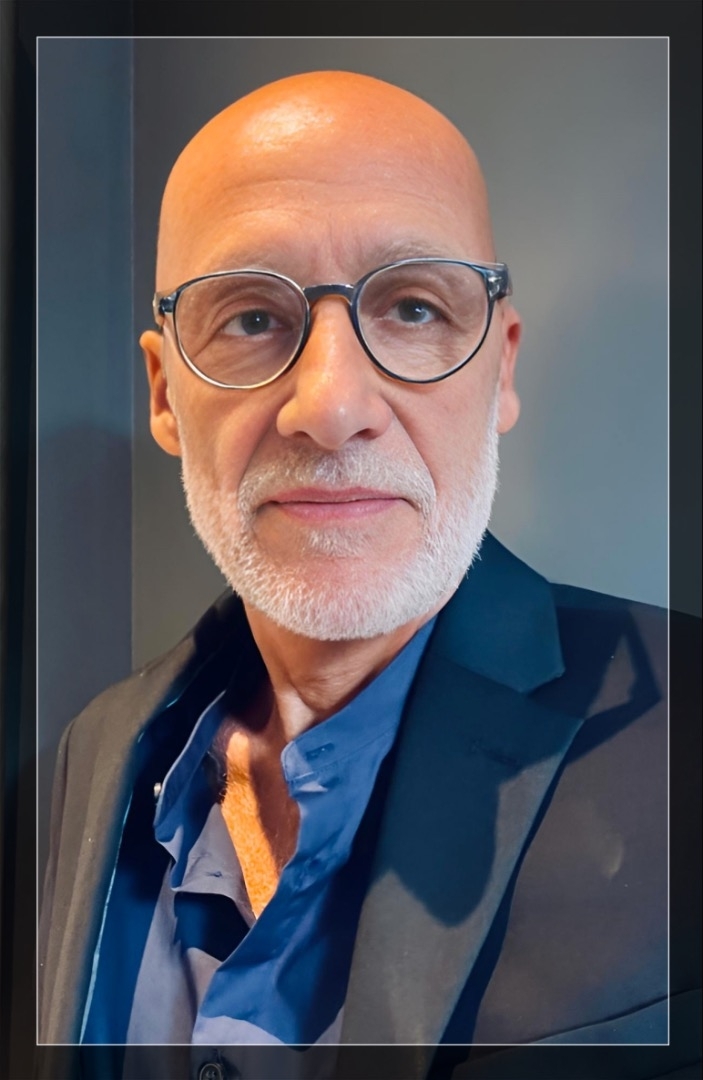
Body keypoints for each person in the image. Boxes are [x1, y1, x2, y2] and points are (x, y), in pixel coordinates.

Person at [39, 70, 685, 1079]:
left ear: (500, 370)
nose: (332, 408)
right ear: (165, 395)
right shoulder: (99, 746)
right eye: (251, 319)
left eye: (413, 308)